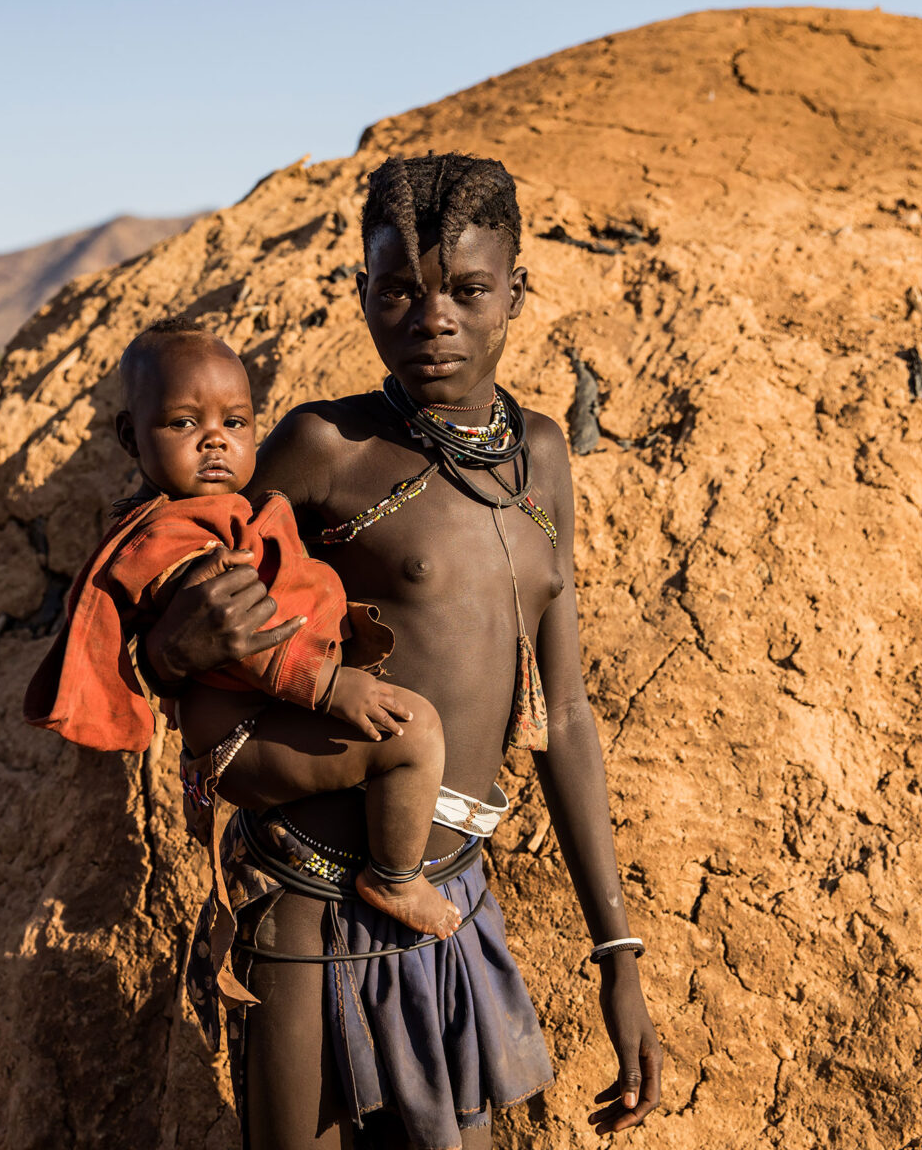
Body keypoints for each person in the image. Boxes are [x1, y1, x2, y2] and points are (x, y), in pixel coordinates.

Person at [147, 154, 665, 1147]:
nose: (435, 319)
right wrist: (175, 650)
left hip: (451, 902)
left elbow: (559, 715)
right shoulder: (325, 448)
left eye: (470, 290)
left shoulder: (543, 456)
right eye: (400, 291)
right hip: (308, 900)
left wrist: (620, 954)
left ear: (517, 289)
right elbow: (177, 596)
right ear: (361, 294)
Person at [23, 317, 467, 940]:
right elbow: (246, 636)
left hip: (264, 717)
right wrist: (332, 686)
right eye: (184, 424)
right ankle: (395, 877)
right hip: (244, 736)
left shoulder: (222, 512)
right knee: (413, 733)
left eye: (234, 423)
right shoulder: (173, 535)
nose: (214, 442)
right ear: (130, 436)